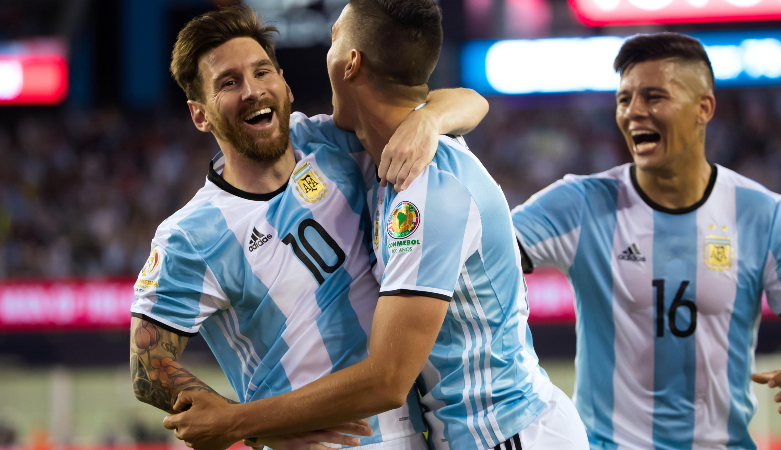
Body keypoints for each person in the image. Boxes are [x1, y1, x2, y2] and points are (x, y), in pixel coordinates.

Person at [163, 1, 588, 450]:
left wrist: (239, 422)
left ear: (351, 63)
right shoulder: (369, 153)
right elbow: (469, 99)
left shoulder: (427, 188)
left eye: (332, 38)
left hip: (510, 435)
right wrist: (430, 116)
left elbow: (387, 380)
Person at [509, 33, 781, 449]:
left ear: (704, 108)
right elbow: (477, 253)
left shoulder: (763, 215)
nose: (633, 112)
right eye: (624, 99)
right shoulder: (580, 204)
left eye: (654, 97)